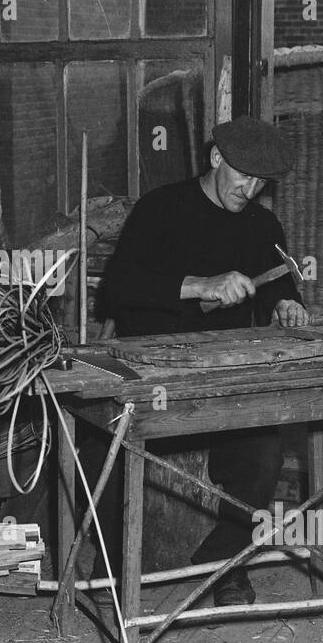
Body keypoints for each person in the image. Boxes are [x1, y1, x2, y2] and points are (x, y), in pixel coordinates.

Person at [97, 117, 307, 606]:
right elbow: (119, 288)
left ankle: (223, 563)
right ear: (216, 159)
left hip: (218, 373)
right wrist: (200, 285)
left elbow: (277, 277)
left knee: (262, 451)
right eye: (243, 176)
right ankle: (111, 567)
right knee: (106, 447)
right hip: (151, 368)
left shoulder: (261, 224)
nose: (250, 189)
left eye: (261, 182)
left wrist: (285, 303)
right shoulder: (161, 209)